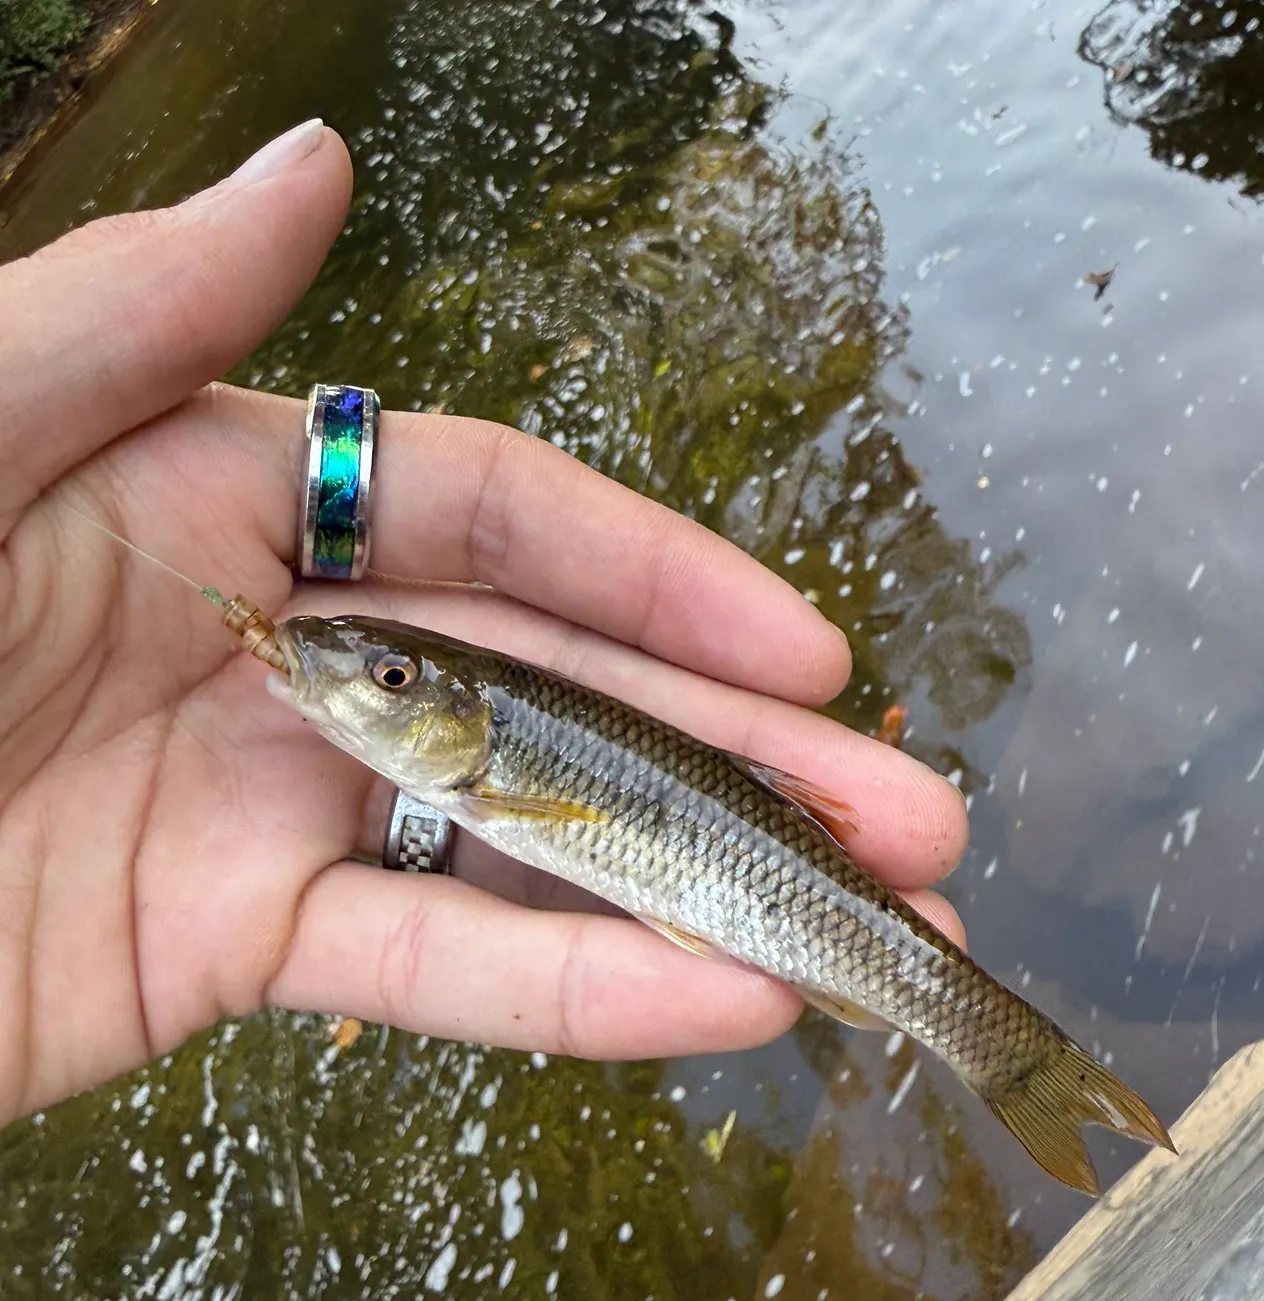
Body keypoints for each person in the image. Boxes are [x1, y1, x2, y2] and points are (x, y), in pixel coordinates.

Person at [0, 121, 968, 1128]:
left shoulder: (483, 770)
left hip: (753, 867)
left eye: (391, 681)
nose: (369, 677)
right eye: (394, 680)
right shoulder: (453, 764)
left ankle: (986, 1040)